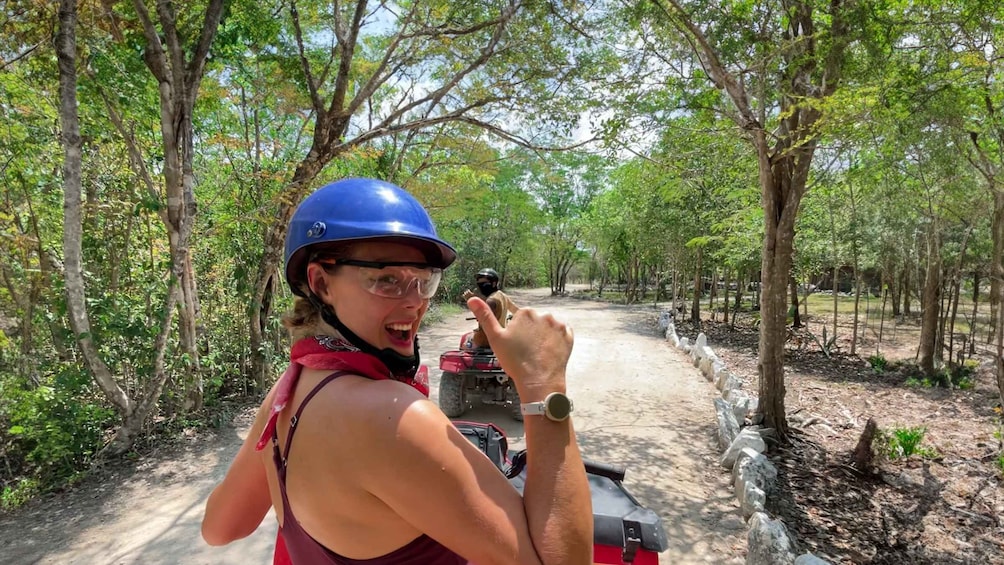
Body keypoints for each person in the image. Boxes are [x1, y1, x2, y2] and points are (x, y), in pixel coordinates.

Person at [200, 177, 592, 565]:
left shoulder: (288, 391)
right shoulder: (392, 417)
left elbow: (220, 528)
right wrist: (543, 382)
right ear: (321, 282)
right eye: (386, 279)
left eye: (423, 281)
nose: (414, 303)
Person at [462, 268, 519, 350]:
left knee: (465, 342)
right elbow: (516, 311)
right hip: (501, 338)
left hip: (486, 341)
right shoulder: (502, 295)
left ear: (494, 283)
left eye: (484, 284)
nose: (481, 287)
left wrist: (472, 301)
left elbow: (483, 320)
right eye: (479, 284)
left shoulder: (491, 301)